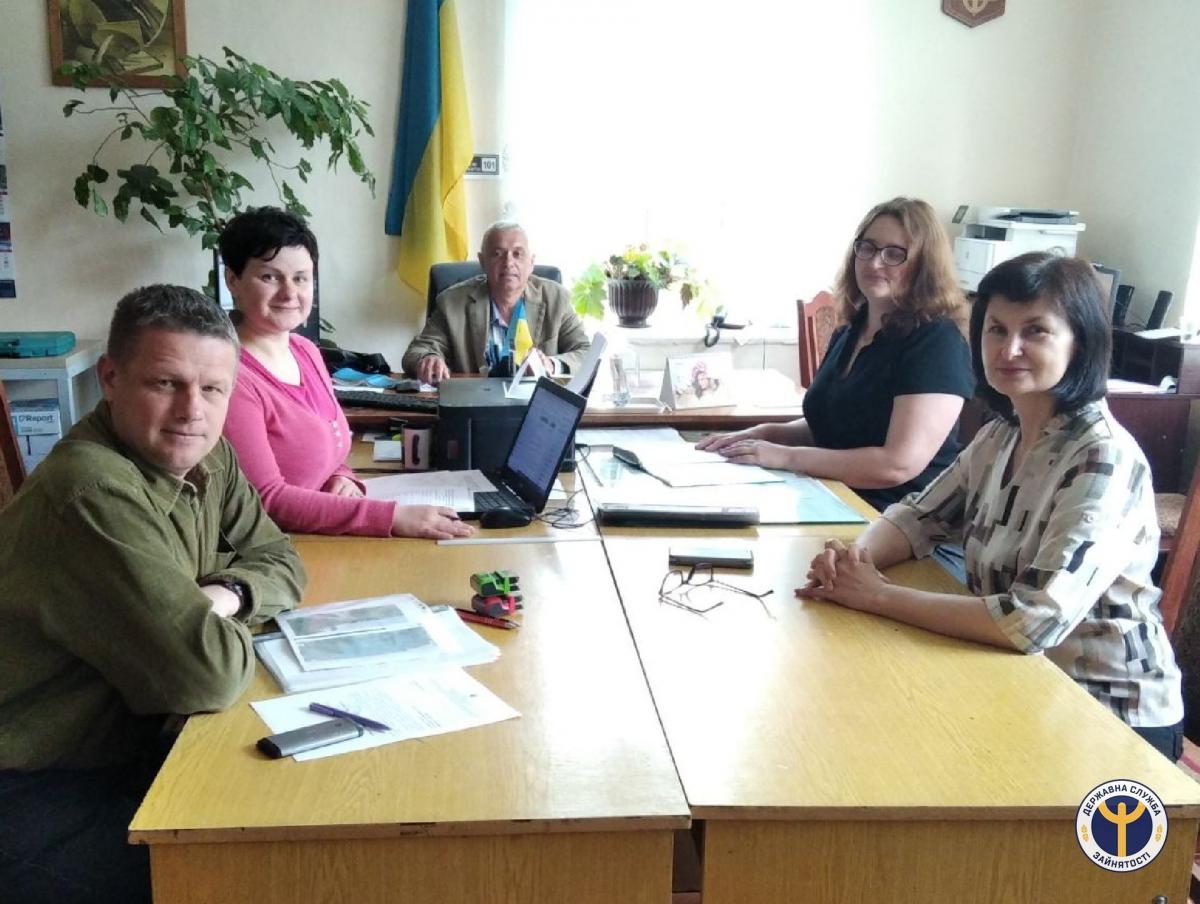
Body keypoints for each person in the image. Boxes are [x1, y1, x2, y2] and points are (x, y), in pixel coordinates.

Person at [801, 252, 1183, 760]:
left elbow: (1032, 620)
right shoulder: (1000, 435)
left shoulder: (1102, 457)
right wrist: (852, 561)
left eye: (1036, 331)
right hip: (1017, 678)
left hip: (1109, 716)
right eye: (996, 330)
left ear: (1080, 342)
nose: (1010, 348)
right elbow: (917, 517)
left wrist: (878, 595)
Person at [0, 285, 306, 903]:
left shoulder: (208, 456)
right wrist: (213, 618)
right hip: (38, 787)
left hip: (134, 748)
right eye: (166, 383)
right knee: (262, 878)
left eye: (213, 389)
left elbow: (283, 561)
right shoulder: (92, 491)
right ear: (110, 378)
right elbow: (206, 674)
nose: (193, 410)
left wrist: (222, 594)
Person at [696, 198, 974, 512]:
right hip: (831, 495)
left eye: (894, 254)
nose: (874, 263)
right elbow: (833, 425)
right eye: (867, 247)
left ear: (924, 265)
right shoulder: (851, 330)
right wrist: (765, 435)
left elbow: (897, 465)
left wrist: (785, 456)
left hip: (899, 517)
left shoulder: (937, 340)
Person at [218, 207, 473, 539]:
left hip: (322, 535)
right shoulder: (231, 379)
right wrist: (392, 517)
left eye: (301, 278)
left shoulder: (305, 351)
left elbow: (325, 448)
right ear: (233, 280)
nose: (290, 293)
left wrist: (341, 476)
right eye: (270, 277)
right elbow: (267, 501)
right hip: (278, 547)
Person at [401, 221, 591, 384]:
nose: (508, 263)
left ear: (531, 263)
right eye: (498, 254)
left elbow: (586, 352)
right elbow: (418, 350)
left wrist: (552, 364)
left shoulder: (556, 299)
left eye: (517, 254)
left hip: (536, 405)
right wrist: (428, 359)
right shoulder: (452, 302)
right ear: (482, 261)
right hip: (475, 403)